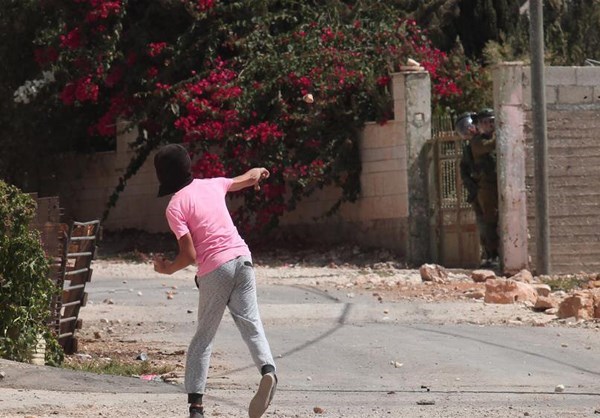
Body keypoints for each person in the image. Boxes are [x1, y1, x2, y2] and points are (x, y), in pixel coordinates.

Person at [152, 143, 277, 418]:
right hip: (243, 259)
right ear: (188, 166)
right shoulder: (213, 184)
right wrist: (258, 171)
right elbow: (247, 179)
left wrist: (167, 269)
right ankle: (268, 370)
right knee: (251, 323)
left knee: (203, 339)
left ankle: (196, 407)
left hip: (214, 270)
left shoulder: (175, 207)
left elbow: (189, 255)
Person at [456, 111, 488, 266]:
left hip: (485, 187)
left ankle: (491, 254)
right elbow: (464, 170)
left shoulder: (481, 141)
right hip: (478, 189)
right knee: (483, 222)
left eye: (468, 126)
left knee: (488, 222)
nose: (467, 130)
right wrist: (471, 185)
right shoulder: (470, 146)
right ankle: (488, 254)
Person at [469, 108, 499, 267]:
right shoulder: (477, 141)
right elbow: (488, 146)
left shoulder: (494, 137)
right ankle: (491, 255)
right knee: (490, 221)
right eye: (485, 122)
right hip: (486, 188)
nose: (489, 125)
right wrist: (503, 131)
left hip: (498, 184)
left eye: (491, 121)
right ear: (479, 125)